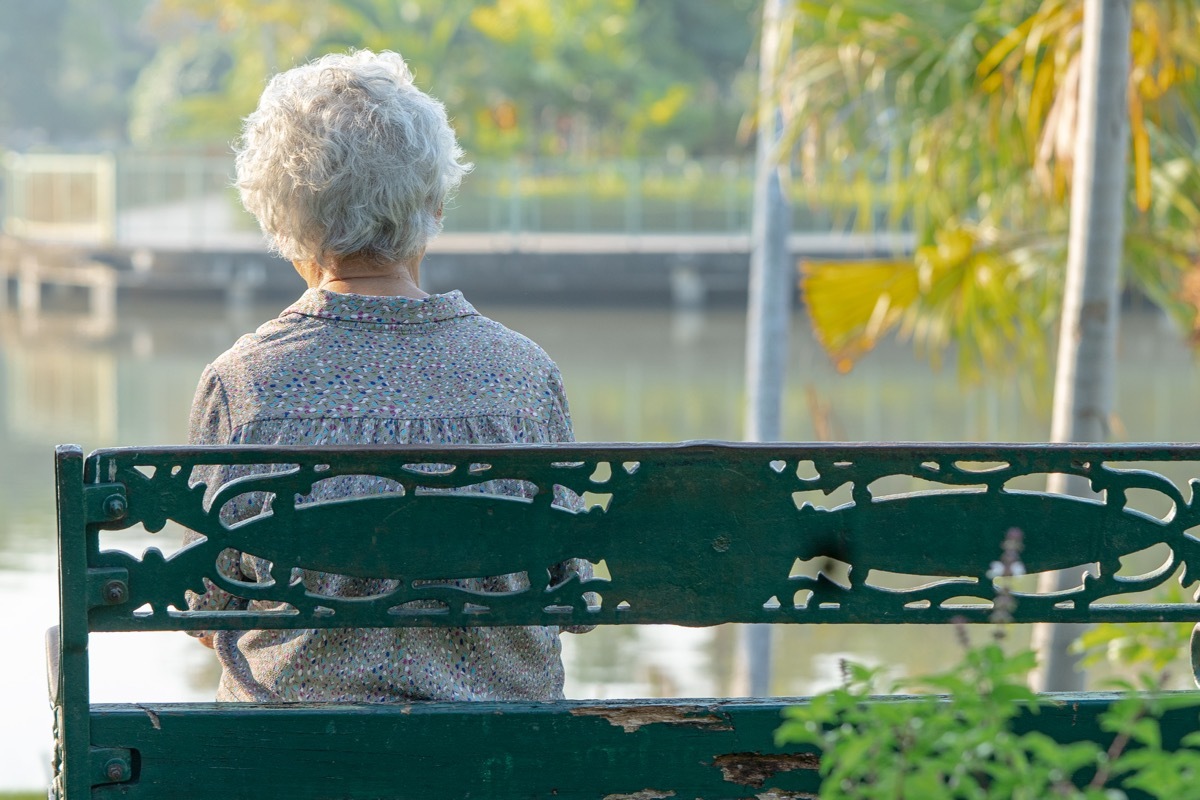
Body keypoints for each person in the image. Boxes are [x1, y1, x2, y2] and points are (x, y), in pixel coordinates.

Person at [184, 49, 589, 703]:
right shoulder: (524, 377)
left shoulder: (246, 387)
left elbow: (207, 606)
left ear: (280, 215)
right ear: (431, 197)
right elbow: (565, 590)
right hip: (504, 760)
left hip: (291, 760)